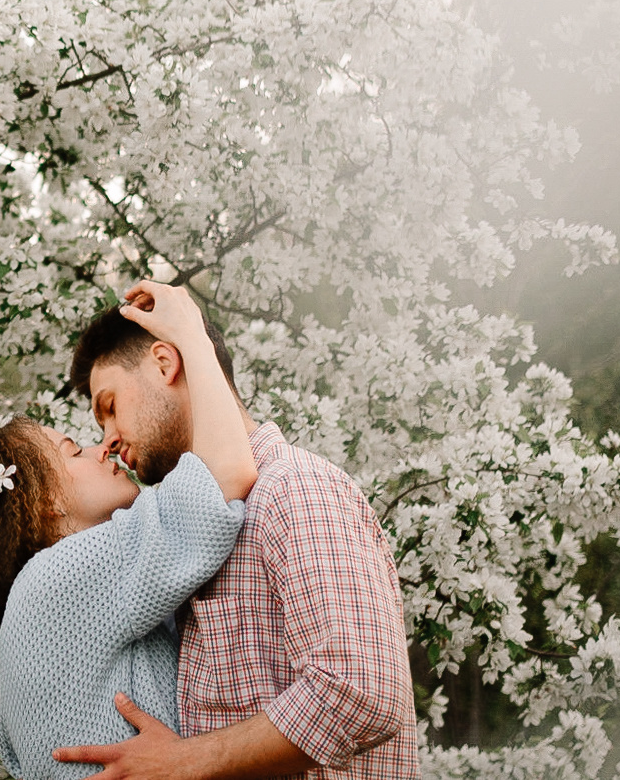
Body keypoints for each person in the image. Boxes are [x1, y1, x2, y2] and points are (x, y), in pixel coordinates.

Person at [52, 284, 417, 780]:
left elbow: (363, 690)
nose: (108, 441)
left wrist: (185, 761)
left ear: (165, 363)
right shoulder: (188, 532)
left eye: (110, 405)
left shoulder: (295, 488)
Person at [0, 284, 257, 780]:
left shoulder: (43, 601)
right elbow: (225, 475)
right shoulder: (60, 578)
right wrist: (192, 336)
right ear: (45, 504)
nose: (101, 448)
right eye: (72, 451)